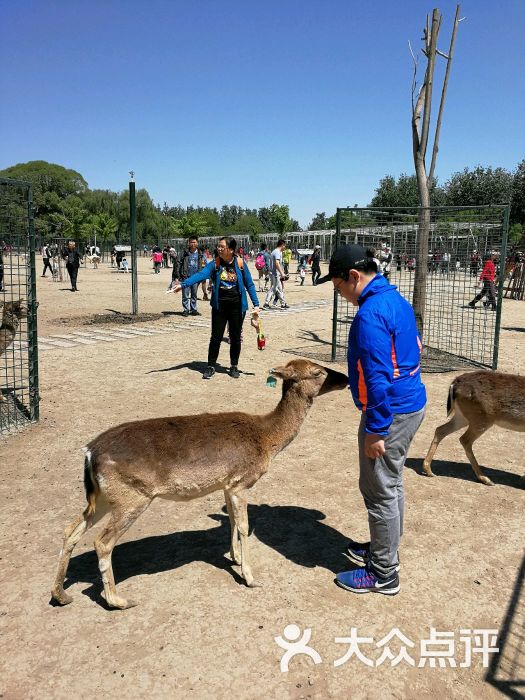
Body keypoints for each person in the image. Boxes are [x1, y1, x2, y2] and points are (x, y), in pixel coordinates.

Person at [318, 244, 426, 595]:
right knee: (391, 484)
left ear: (354, 277)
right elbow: (417, 345)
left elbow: (378, 376)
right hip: (409, 403)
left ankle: (383, 573)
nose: (340, 295)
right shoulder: (395, 299)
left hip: (390, 412)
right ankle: (385, 549)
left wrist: (376, 430)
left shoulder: (370, 314)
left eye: (338, 288)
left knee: (379, 490)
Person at [172, 237, 260, 379]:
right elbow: (201, 274)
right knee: (216, 337)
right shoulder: (216, 263)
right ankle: (211, 366)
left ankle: (233, 366)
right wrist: (183, 284)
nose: (218, 249)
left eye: (222, 247)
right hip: (220, 307)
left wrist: (256, 304)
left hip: (237, 307)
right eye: (218, 246)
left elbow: (249, 284)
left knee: (235, 338)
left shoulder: (240, 263)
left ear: (231, 250)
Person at [173, 236, 204, 316]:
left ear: (197, 243)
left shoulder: (200, 253)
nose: (193, 244)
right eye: (191, 242)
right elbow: (178, 263)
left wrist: (201, 276)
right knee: (185, 295)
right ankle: (186, 310)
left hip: (196, 277)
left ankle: (193, 309)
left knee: (194, 294)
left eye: (194, 242)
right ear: (189, 243)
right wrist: (177, 275)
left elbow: (202, 265)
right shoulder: (184, 252)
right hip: (185, 277)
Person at [263, 239, 289, 309]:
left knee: (279, 288)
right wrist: (282, 273)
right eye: (284, 246)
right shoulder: (277, 252)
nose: (285, 247)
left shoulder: (274, 251)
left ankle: (283, 303)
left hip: (273, 272)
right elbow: (277, 263)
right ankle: (266, 303)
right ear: (282, 245)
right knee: (273, 288)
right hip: (275, 273)